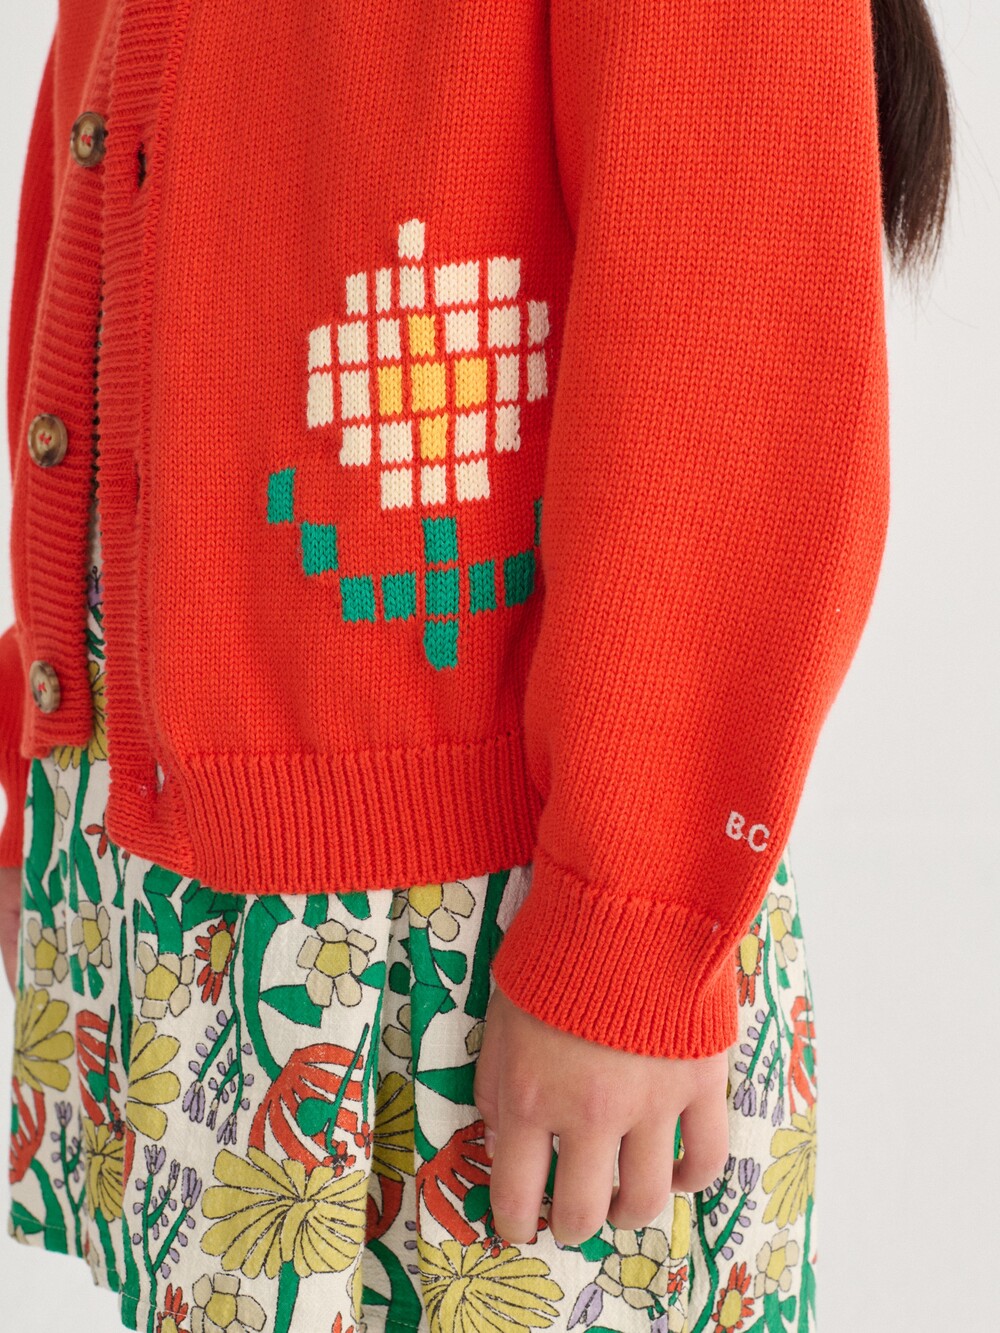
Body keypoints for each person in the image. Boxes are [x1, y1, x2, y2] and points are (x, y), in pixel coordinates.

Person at [0, 2, 951, 1331]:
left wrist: (626, 926)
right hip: (182, 849)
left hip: (499, 931)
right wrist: (62, 746)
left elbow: (733, 324)